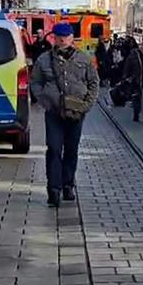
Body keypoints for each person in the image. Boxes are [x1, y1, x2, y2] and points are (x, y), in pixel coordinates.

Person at [30, 21, 99, 208]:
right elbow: (35, 82)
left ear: (71, 38)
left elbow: (94, 83)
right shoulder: (44, 60)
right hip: (54, 112)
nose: (62, 39)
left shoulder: (83, 59)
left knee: (71, 149)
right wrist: (43, 100)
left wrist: (86, 105)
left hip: (76, 113)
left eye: (66, 36)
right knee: (53, 149)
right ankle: (53, 189)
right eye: (59, 36)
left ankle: (68, 184)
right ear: (54, 38)